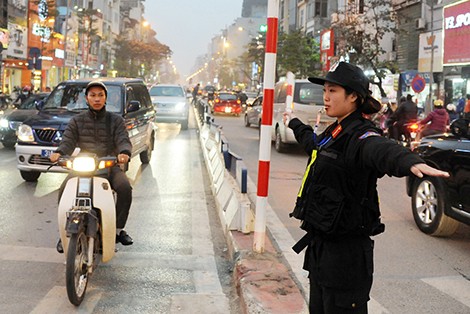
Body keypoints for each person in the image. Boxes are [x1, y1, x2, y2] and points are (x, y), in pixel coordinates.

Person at [282, 61, 449, 314]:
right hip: (320, 252)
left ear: (354, 97)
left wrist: (408, 161)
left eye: (333, 91)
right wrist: (295, 124)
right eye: (325, 90)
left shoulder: (361, 134)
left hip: (346, 259)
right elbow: (314, 146)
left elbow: (380, 150)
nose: (325, 98)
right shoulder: (335, 131)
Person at [50, 81, 134, 250]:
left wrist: (124, 152)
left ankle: (118, 229)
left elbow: (123, 139)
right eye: (93, 95)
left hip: (109, 164)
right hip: (84, 164)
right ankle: (65, 232)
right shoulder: (77, 121)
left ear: (105, 98)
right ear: (86, 99)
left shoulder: (115, 120)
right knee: (64, 189)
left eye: (100, 95)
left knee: (125, 188)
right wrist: (59, 153)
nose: (97, 99)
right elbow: (68, 141)